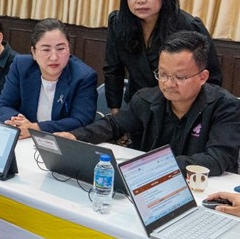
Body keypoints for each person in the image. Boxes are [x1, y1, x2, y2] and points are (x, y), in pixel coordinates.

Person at [57, 31, 240, 177]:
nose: (168, 84)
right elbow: (113, 125)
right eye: (163, 74)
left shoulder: (225, 107)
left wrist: (156, 165)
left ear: (203, 77)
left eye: (180, 77)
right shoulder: (146, 99)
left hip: (205, 188)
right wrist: (76, 136)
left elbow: (217, 158)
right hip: (151, 184)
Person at [104, 0, 222, 114]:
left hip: (178, 111)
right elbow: (113, 71)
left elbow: (212, 79)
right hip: (137, 108)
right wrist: (116, 112)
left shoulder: (189, 26)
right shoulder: (118, 22)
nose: (140, 0)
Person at [0, 18, 97, 138]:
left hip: (59, 142)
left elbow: (81, 120)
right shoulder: (21, 66)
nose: (54, 57)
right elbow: (4, 105)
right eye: (46, 49)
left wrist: (36, 128)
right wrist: (19, 124)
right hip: (25, 139)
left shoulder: (83, 77)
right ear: (33, 52)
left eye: (61, 49)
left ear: (69, 49)